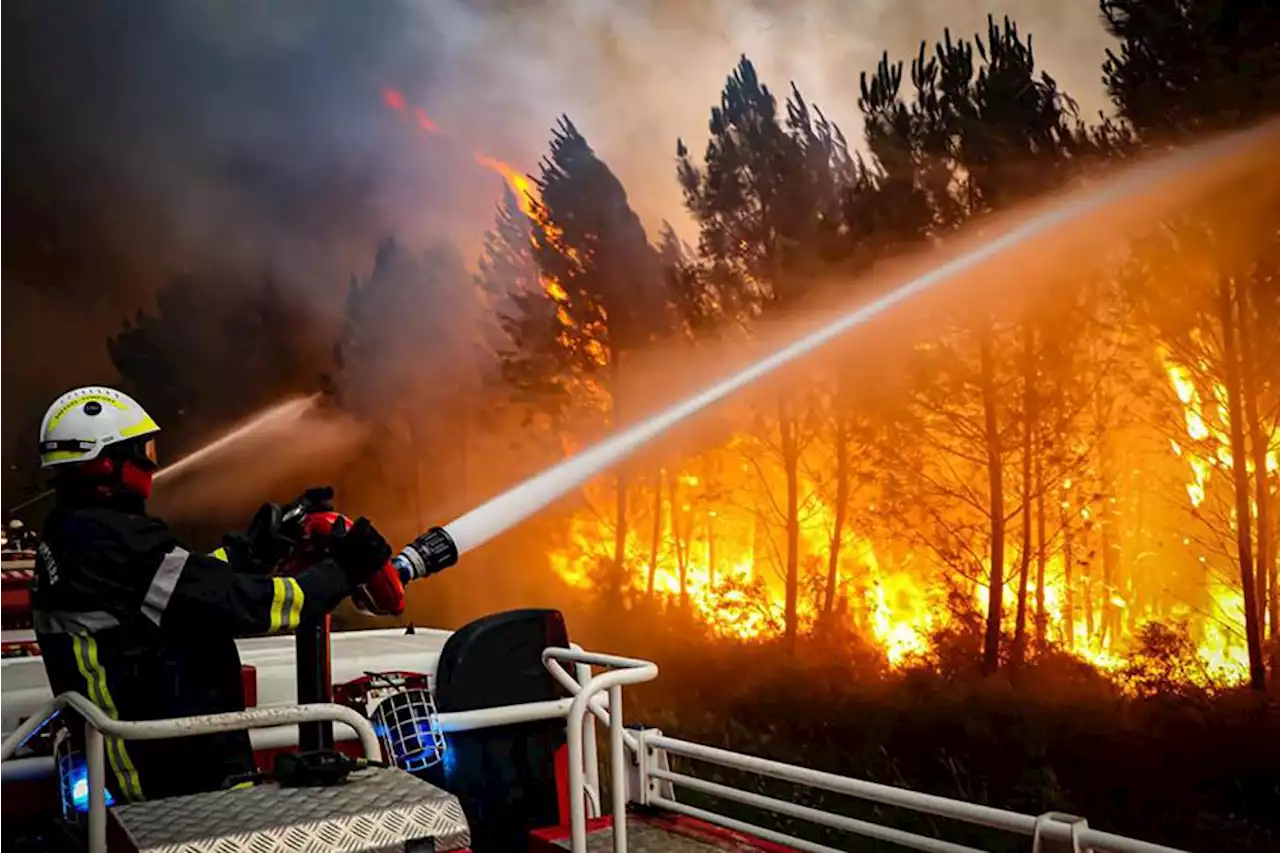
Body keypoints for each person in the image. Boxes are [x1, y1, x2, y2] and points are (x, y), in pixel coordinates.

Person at [31, 385, 392, 802]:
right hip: (163, 771)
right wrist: (343, 572)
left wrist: (255, 548)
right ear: (108, 463)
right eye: (141, 451)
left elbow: (188, 585)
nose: (150, 463)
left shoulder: (83, 533)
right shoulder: (113, 543)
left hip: (169, 748)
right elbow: (247, 606)